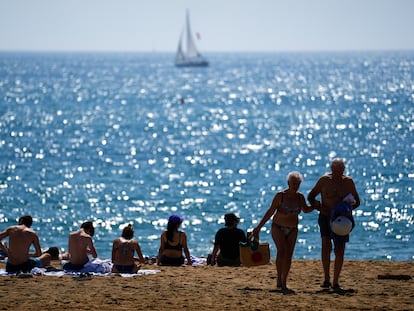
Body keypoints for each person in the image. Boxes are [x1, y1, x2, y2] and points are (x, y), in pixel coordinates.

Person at [251, 172, 313, 293]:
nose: (295, 186)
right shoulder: (280, 196)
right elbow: (270, 212)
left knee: (289, 255)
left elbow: (305, 210)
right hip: (278, 227)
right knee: (282, 250)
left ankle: (284, 281)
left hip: (293, 229)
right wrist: (258, 227)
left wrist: (317, 206)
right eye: (293, 183)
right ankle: (279, 277)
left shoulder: (300, 197)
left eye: (298, 184)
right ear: (288, 183)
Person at [307, 158, 360, 291]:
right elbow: (311, 196)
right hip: (325, 217)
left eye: (340, 170)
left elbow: (357, 201)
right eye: (335, 170)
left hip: (342, 220)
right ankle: (326, 278)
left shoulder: (348, 182)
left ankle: (336, 282)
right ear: (331, 169)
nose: (337, 173)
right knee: (326, 245)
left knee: (340, 250)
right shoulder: (324, 180)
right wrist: (319, 207)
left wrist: (345, 209)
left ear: (343, 170)